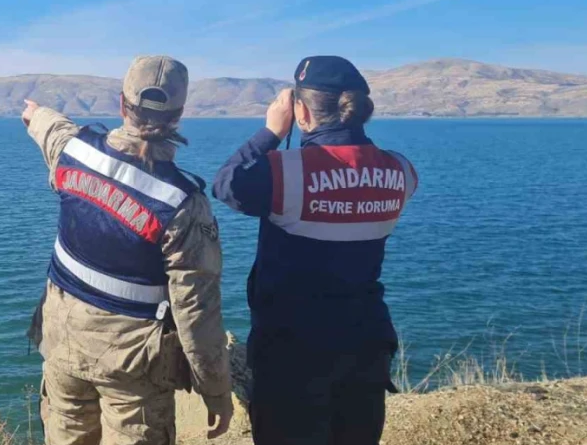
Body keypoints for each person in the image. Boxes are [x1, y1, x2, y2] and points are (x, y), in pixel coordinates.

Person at [22, 55, 234, 445]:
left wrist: (35, 113)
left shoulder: (74, 152)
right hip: (132, 366)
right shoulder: (182, 203)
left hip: (62, 342)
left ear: (122, 104)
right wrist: (215, 390)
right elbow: (196, 311)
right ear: (178, 116)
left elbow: (51, 129)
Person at [213, 56, 418, 445]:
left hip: (293, 350)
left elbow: (227, 184)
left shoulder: (287, 171)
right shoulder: (401, 171)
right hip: (366, 344)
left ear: (300, 110)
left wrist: (271, 132)